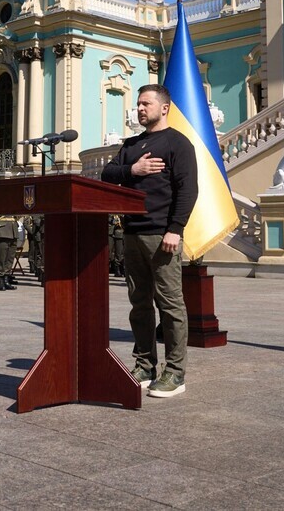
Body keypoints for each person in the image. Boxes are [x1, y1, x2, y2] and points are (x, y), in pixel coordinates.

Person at [101, 84, 198, 398]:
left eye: (146, 104)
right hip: (132, 234)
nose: (140, 109)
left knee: (170, 305)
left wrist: (176, 228)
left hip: (162, 235)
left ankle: (175, 373)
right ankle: (144, 365)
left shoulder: (178, 144)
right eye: (138, 104)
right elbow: (108, 174)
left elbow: (188, 190)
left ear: (164, 107)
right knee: (139, 304)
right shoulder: (131, 145)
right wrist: (134, 168)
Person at [0, 203, 19, 291]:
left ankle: (6, 279)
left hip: (13, 229)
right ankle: (0, 281)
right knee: (1, 257)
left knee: (10, 258)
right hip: (2, 230)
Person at [23, 214, 45, 281]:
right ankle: (40, 273)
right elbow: (36, 222)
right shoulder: (37, 213)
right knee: (40, 255)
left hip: (44, 235)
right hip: (39, 236)